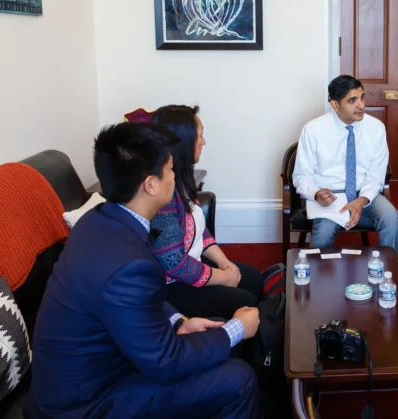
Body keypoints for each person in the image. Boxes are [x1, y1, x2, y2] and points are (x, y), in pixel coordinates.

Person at [25, 122, 260, 419]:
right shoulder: (128, 264)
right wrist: (237, 329)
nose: (175, 177)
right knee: (238, 378)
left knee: (211, 328)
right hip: (87, 403)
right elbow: (166, 361)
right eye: (171, 170)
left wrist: (179, 321)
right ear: (150, 184)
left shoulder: (101, 220)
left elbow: (135, 304)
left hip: (99, 367)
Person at [150, 105, 264, 321]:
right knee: (245, 301)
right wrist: (222, 277)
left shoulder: (181, 179)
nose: (204, 141)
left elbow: (200, 231)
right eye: (200, 135)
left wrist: (224, 263)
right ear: (183, 141)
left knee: (253, 278)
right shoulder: (162, 193)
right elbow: (173, 263)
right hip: (171, 286)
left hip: (191, 265)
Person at [293, 75, 398, 252]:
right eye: (352, 100)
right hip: (330, 198)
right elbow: (301, 176)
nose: (361, 106)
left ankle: (388, 272)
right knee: (324, 232)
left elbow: (376, 175)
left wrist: (361, 200)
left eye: (362, 97)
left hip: (365, 193)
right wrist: (317, 193)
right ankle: (317, 278)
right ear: (335, 105)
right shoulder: (313, 130)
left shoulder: (376, 128)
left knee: (391, 218)